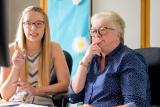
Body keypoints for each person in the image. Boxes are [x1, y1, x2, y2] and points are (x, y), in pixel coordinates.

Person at [68, 11, 150, 107]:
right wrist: (85, 60)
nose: (97, 35)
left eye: (103, 29)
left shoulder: (130, 59)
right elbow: (74, 95)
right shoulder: (92, 58)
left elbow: (135, 104)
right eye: (94, 31)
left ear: (118, 34)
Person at [0, 6, 70, 106]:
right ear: (22, 26)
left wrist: (36, 90)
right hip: (16, 103)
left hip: (42, 103)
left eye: (38, 23)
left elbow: (64, 85)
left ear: (45, 27)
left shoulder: (54, 48)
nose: (33, 28)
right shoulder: (10, 50)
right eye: (28, 23)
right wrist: (16, 67)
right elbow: (5, 95)